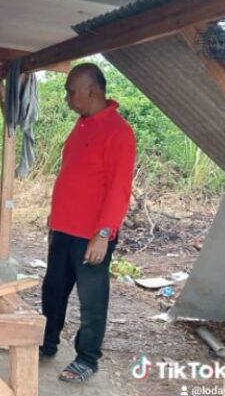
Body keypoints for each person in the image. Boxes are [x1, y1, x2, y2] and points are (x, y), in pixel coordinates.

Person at [40, 63, 136, 383]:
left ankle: (87, 358)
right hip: (63, 228)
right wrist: (54, 219)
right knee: (53, 291)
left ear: (91, 90)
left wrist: (104, 233)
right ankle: (47, 342)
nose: (67, 98)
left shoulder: (118, 132)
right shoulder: (82, 124)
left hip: (91, 235)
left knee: (92, 300)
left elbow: (119, 189)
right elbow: (73, 174)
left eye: (71, 92)